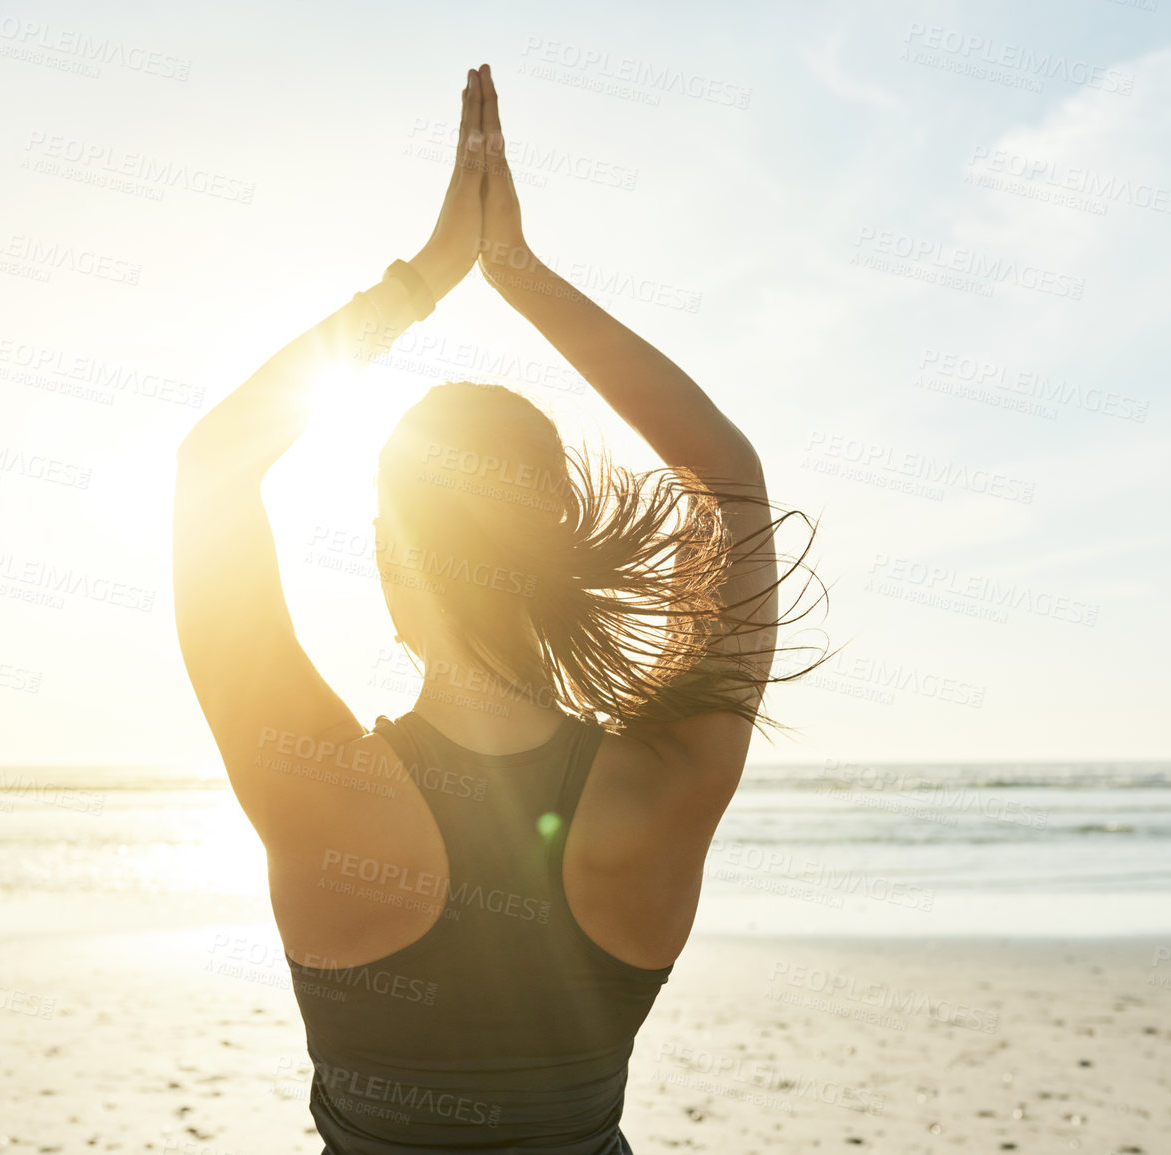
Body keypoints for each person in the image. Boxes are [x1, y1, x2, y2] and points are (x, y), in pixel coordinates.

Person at [174, 62, 817, 1155]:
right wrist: (518, 273)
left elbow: (212, 471)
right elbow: (729, 480)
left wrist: (424, 278)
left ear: (390, 562)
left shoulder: (321, 791)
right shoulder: (662, 786)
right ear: (560, 548)